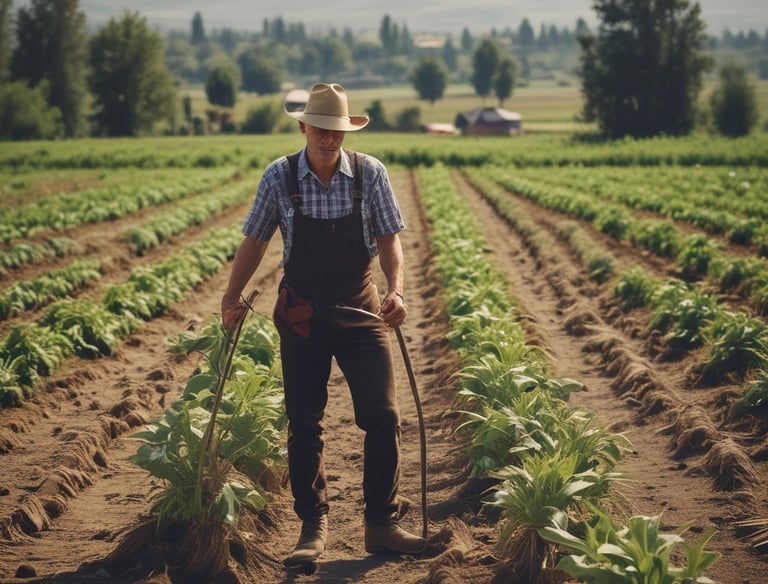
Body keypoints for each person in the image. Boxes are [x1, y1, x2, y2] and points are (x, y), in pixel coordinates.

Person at [220, 82, 426, 567]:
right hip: (302, 313)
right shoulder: (280, 176)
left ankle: (381, 523)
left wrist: (396, 291)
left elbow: (389, 240)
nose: (329, 139)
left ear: (346, 131)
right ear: (303, 127)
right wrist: (231, 296)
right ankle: (312, 528)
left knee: (384, 416)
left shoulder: (369, 174)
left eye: (337, 130)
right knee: (305, 422)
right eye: (321, 129)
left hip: (361, 307)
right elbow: (255, 239)